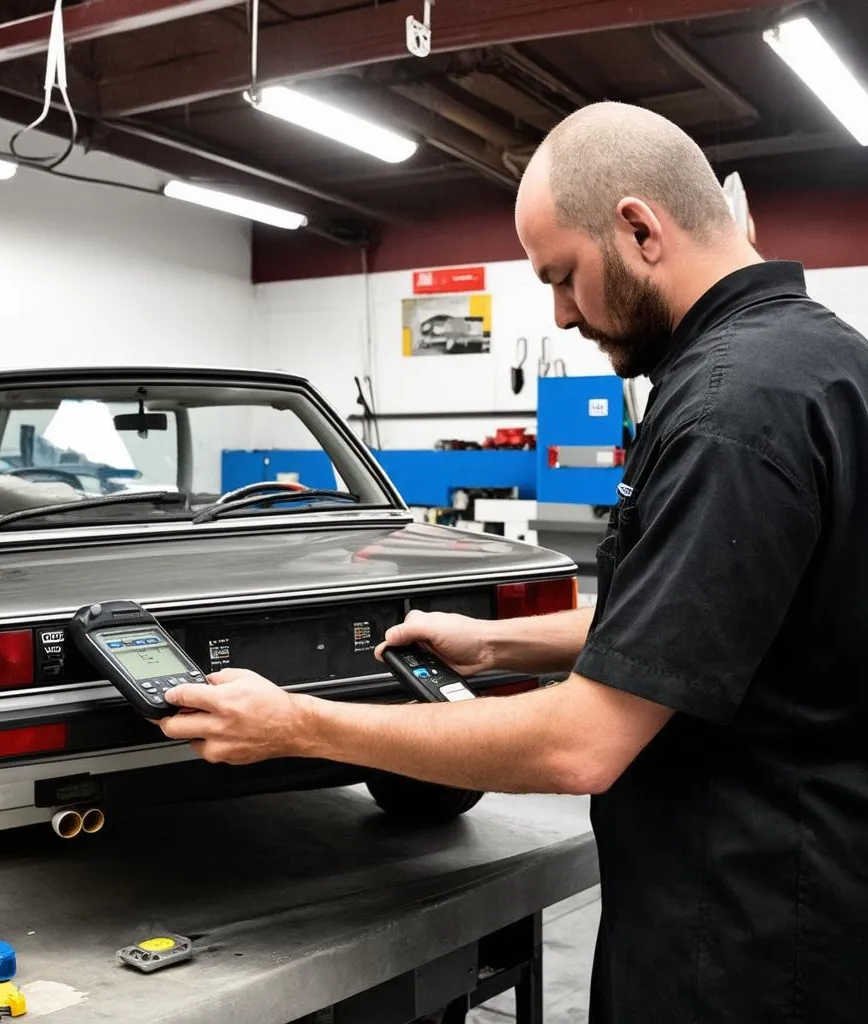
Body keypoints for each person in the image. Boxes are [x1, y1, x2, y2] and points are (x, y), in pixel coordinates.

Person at [159, 102, 868, 1022]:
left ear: (639, 228)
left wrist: (296, 724)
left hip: (745, 938)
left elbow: (584, 744)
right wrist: (493, 645)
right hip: (813, 893)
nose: (563, 314)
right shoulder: (824, 360)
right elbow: (695, 621)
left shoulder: (726, 414)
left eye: (563, 276)